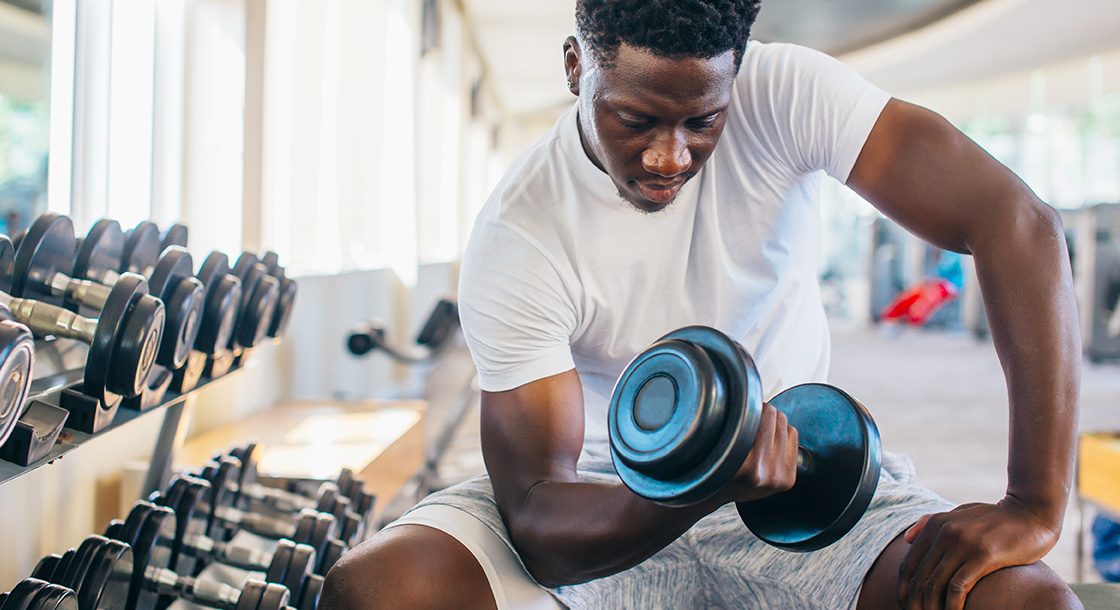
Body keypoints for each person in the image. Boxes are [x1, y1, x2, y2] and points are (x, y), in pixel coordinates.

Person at [322, 1, 1082, 608]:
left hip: (801, 482)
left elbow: (1018, 224)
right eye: (637, 119)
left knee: (1026, 602)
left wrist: (1034, 502)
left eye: (701, 122)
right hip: (600, 502)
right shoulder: (521, 232)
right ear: (575, 65)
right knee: (382, 589)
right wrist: (707, 482)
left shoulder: (788, 92)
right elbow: (538, 520)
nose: (669, 157)